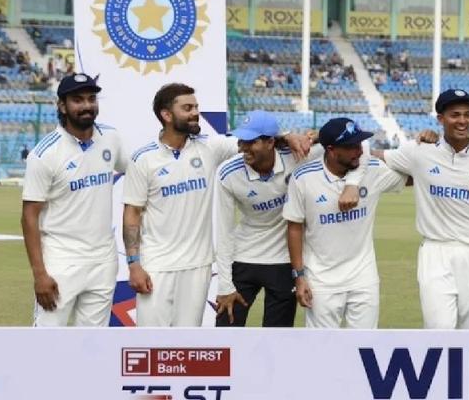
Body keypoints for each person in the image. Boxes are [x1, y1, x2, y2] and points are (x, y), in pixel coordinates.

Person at [122, 83, 310, 327]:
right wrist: (134, 264)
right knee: (151, 341)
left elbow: (255, 140)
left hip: (198, 265)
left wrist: (287, 136)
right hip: (157, 265)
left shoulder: (209, 147)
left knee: (190, 343)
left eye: (196, 107)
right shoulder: (143, 159)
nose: (195, 113)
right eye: (187, 108)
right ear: (166, 115)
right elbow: (132, 213)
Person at [371, 89, 469, 329]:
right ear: (440, 119)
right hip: (437, 251)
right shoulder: (420, 151)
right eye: (455, 115)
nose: (463, 121)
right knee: (438, 331)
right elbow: (374, 155)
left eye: (468, 114)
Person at [21, 73, 128, 327]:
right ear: (62, 106)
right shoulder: (44, 154)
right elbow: (29, 216)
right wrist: (39, 274)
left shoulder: (110, 138)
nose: (87, 105)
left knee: (92, 345)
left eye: (92, 98)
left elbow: (136, 171)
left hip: (103, 260)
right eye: (78, 100)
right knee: (46, 343)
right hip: (61, 261)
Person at [284, 118, 407, 328]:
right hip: (320, 280)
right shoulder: (303, 178)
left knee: (363, 347)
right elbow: (294, 227)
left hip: (363, 278)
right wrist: (299, 276)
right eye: (351, 147)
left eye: (359, 144)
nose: (359, 151)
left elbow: (412, 173)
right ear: (331, 150)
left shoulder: (372, 169)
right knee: (322, 349)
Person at [214, 111, 317, 328]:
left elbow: (340, 139)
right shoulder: (228, 173)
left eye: (251, 142)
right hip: (243, 258)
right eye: (241, 140)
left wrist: (300, 136)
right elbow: (223, 232)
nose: (243, 147)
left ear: (271, 142)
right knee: (226, 330)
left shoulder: (297, 156)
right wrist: (224, 285)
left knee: (277, 340)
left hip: (283, 262)